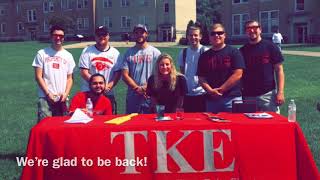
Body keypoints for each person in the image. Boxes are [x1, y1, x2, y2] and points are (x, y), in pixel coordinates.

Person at [197, 23, 245, 113]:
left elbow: (238, 74)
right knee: (213, 126)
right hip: (211, 101)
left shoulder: (234, 52)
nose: (216, 35)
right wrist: (210, 91)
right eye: (213, 33)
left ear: (224, 35)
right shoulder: (204, 56)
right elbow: (201, 78)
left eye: (220, 33)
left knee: (235, 126)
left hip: (232, 98)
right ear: (209, 37)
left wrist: (221, 90)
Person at [32, 25, 76, 122]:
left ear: (64, 37)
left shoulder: (68, 56)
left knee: (62, 128)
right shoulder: (41, 53)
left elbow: (70, 78)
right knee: (44, 127)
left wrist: (66, 94)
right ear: (51, 36)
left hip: (62, 98)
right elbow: (38, 77)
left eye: (61, 35)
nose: (58, 38)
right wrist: (48, 94)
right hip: (45, 98)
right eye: (55, 35)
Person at [240, 20, 285, 113]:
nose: (252, 30)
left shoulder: (270, 47)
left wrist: (280, 92)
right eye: (248, 28)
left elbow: (279, 70)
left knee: (272, 124)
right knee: (250, 125)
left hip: (267, 95)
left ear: (260, 30)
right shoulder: (242, 51)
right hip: (248, 95)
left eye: (255, 28)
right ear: (245, 32)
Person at [79, 26, 122, 114]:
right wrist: (97, 86)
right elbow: (84, 72)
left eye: (104, 34)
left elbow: (117, 73)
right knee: (88, 119)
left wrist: (109, 85)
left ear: (108, 36)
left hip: (108, 92)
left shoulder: (115, 53)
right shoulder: (87, 51)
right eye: (99, 35)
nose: (101, 37)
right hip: (89, 93)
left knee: (108, 121)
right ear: (95, 36)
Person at [121, 24, 161, 113]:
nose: (139, 35)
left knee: (150, 123)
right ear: (133, 35)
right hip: (133, 95)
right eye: (136, 33)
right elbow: (124, 75)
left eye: (142, 32)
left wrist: (147, 87)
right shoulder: (128, 53)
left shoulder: (155, 52)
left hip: (150, 94)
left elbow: (159, 73)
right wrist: (136, 88)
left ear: (146, 34)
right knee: (132, 123)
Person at [177, 24, 208, 112]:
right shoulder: (183, 52)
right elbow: (182, 74)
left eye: (196, 35)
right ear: (187, 36)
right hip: (188, 95)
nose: (193, 37)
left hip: (203, 94)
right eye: (191, 35)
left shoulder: (206, 51)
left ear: (200, 36)